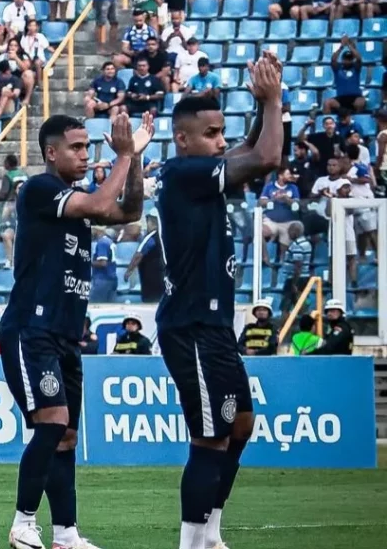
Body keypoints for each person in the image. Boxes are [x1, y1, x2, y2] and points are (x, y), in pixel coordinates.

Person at [0, 111, 151, 549]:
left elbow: (130, 211)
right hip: (31, 328)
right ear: (52, 152)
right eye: (77, 147)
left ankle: (66, 535)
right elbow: (103, 205)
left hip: (65, 334)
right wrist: (124, 154)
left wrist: (135, 160)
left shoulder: (76, 199)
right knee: (51, 425)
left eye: (88, 146)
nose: (86, 155)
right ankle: (23, 523)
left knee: (65, 437)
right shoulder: (39, 189)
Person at [154, 52, 284, 549]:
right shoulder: (182, 173)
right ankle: (191, 544)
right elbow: (265, 157)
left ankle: (210, 534)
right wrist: (273, 101)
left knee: (241, 424)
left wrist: (263, 106)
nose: (221, 141)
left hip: (213, 326)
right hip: (191, 325)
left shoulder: (202, 171)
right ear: (183, 139)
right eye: (211, 134)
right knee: (211, 435)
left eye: (222, 132)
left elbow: (248, 148)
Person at [124, 211, 163, 302]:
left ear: (151, 222)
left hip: (150, 277)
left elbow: (138, 255)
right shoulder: (162, 236)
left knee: (150, 301)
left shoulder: (150, 237)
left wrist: (129, 271)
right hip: (161, 276)